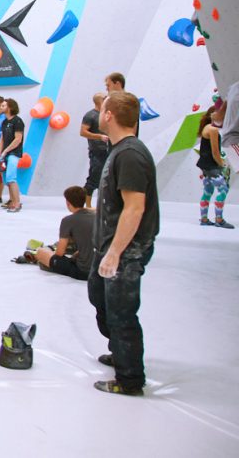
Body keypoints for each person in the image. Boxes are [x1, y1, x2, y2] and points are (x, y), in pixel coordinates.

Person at [88, 91, 159, 396]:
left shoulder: (130, 154)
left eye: (102, 109)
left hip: (126, 250)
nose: (98, 113)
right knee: (100, 298)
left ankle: (129, 379)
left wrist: (115, 253)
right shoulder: (119, 150)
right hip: (108, 246)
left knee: (121, 312)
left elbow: (134, 208)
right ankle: (119, 350)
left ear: (109, 116)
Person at [33, 186, 95, 280]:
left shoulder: (68, 220)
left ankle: (41, 254)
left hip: (82, 271)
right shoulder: (97, 216)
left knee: (41, 252)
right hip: (97, 269)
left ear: (68, 203)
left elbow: (60, 253)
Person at [196, 103, 233, 228]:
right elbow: (215, 152)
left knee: (208, 190)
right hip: (211, 166)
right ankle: (219, 219)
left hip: (205, 165)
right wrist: (222, 164)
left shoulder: (207, 127)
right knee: (223, 189)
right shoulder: (213, 129)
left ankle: (204, 218)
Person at [80, 92, 110, 208]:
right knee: (93, 177)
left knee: (108, 178)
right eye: (105, 98)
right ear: (100, 101)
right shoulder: (90, 115)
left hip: (108, 150)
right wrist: (99, 137)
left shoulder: (106, 115)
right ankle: (87, 205)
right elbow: (83, 132)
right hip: (97, 151)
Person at [0, 98, 25, 213]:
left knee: (11, 178)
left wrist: (6, 151)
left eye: (3, 105)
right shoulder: (5, 122)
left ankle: (17, 203)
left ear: (10, 107)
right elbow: (2, 139)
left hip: (13, 154)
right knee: (6, 180)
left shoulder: (18, 121)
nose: (0, 107)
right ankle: (12, 201)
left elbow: (18, 139)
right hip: (5, 154)